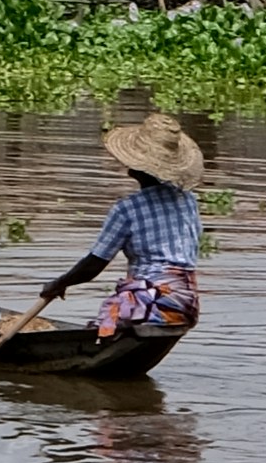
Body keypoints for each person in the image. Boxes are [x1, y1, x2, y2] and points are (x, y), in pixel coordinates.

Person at [34, 92, 210, 348]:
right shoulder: (189, 200)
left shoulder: (127, 209)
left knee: (102, 331)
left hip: (152, 303)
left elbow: (94, 264)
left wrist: (59, 283)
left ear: (135, 167)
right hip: (187, 304)